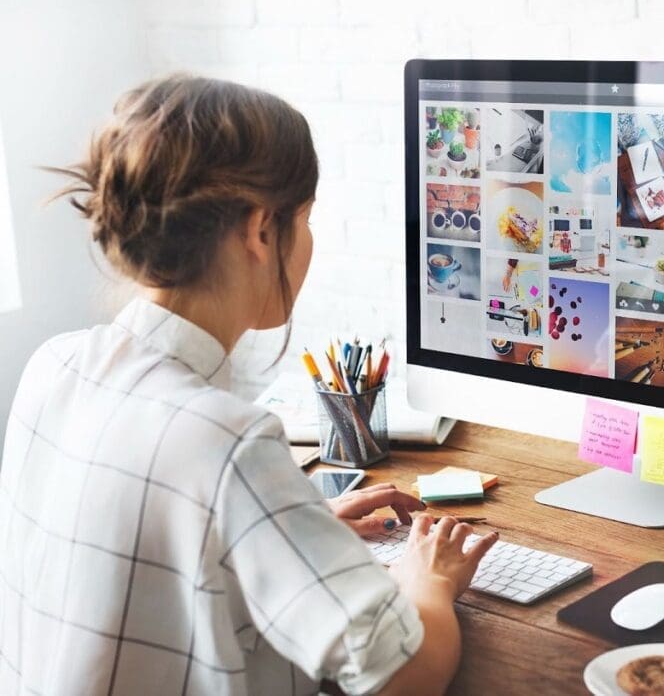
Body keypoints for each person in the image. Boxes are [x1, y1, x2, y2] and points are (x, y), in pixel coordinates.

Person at [0, 75, 497, 696]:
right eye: (306, 219)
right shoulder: (226, 441)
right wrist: (432, 579)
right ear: (262, 230)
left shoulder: (55, 365)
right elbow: (406, 675)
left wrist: (289, 530)